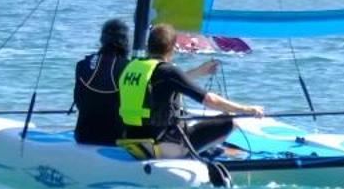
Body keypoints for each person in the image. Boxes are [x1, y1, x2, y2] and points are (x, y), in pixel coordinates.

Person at [118, 23, 264, 157]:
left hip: (131, 139)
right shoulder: (168, 72)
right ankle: (193, 154)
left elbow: (164, 83)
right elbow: (209, 100)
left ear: (149, 45)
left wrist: (199, 72)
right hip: (162, 144)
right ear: (172, 47)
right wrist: (247, 109)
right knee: (230, 122)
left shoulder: (132, 67)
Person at [72, 18, 132, 145]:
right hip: (117, 138)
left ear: (102, 39)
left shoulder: (82, 65)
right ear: (125, 42)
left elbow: (78, 101)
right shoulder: (130, 68)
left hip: (83, 136)